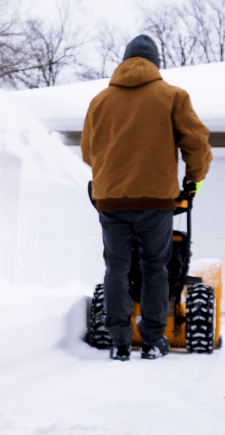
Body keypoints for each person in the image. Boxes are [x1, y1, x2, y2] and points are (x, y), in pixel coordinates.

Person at [81, 34, 212, 361]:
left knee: (116, 269)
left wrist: (111, 175)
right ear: (154, 63)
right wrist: (192, 179)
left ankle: (120, 343)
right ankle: (153, 341)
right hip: (156, 202)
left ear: (125, 61)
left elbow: (88, 153)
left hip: (110, 203)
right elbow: (196, 145)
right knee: (156, 268)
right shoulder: (172, 96)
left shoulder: (99, 101)